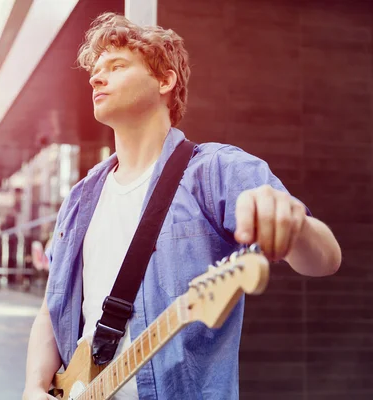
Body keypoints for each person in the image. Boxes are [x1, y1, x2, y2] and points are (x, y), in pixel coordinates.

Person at [22, 12, 341, 400]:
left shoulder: (215, 170)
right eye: (95, 69)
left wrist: (297, 226)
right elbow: (49, 311)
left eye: (116, 66)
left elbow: (325, 260)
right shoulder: (79, 197)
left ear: (164, 80)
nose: (96, 77)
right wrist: (34, 387)